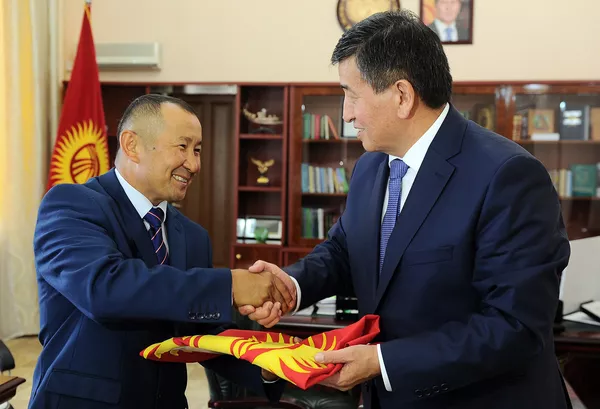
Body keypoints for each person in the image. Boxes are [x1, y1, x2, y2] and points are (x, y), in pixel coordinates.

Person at [241, 10, 572, 409]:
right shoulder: (370, 166)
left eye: (352, 95)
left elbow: (515, 325)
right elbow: (345, 250)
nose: (346, 114)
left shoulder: (508, 175)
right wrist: (292, 286)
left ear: (402, 96)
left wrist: (383, 362)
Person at [29, 94, 295, 409]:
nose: (194, 164)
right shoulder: (70, 205)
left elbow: (200, 333)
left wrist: (265, 364)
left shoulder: (194, 237)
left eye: (197, 150)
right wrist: (231, 286)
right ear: (132, 145)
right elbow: (104, 289)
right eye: (182, 147)